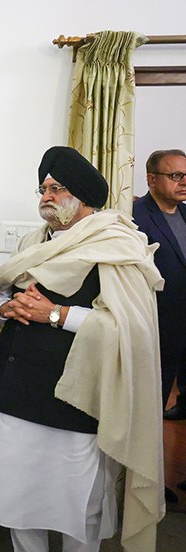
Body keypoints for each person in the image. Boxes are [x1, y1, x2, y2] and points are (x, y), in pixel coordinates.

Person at [0, 146, 164, 552]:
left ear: (82, 195)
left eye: (56, 188)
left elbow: (131, 332)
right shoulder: (31, 241)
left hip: (75, 408)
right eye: (42, 188)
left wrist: (56, 314)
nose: (45, 197)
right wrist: (4, 306)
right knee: (18, 507)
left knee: (78, 514)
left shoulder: (116, 245)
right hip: (14, 397)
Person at [133, 149, 186, 499]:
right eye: (175, 176)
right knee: (149, 409)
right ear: (152, 179)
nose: (183, 183)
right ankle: (149, 487)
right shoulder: (134, 216)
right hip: (158, 326)